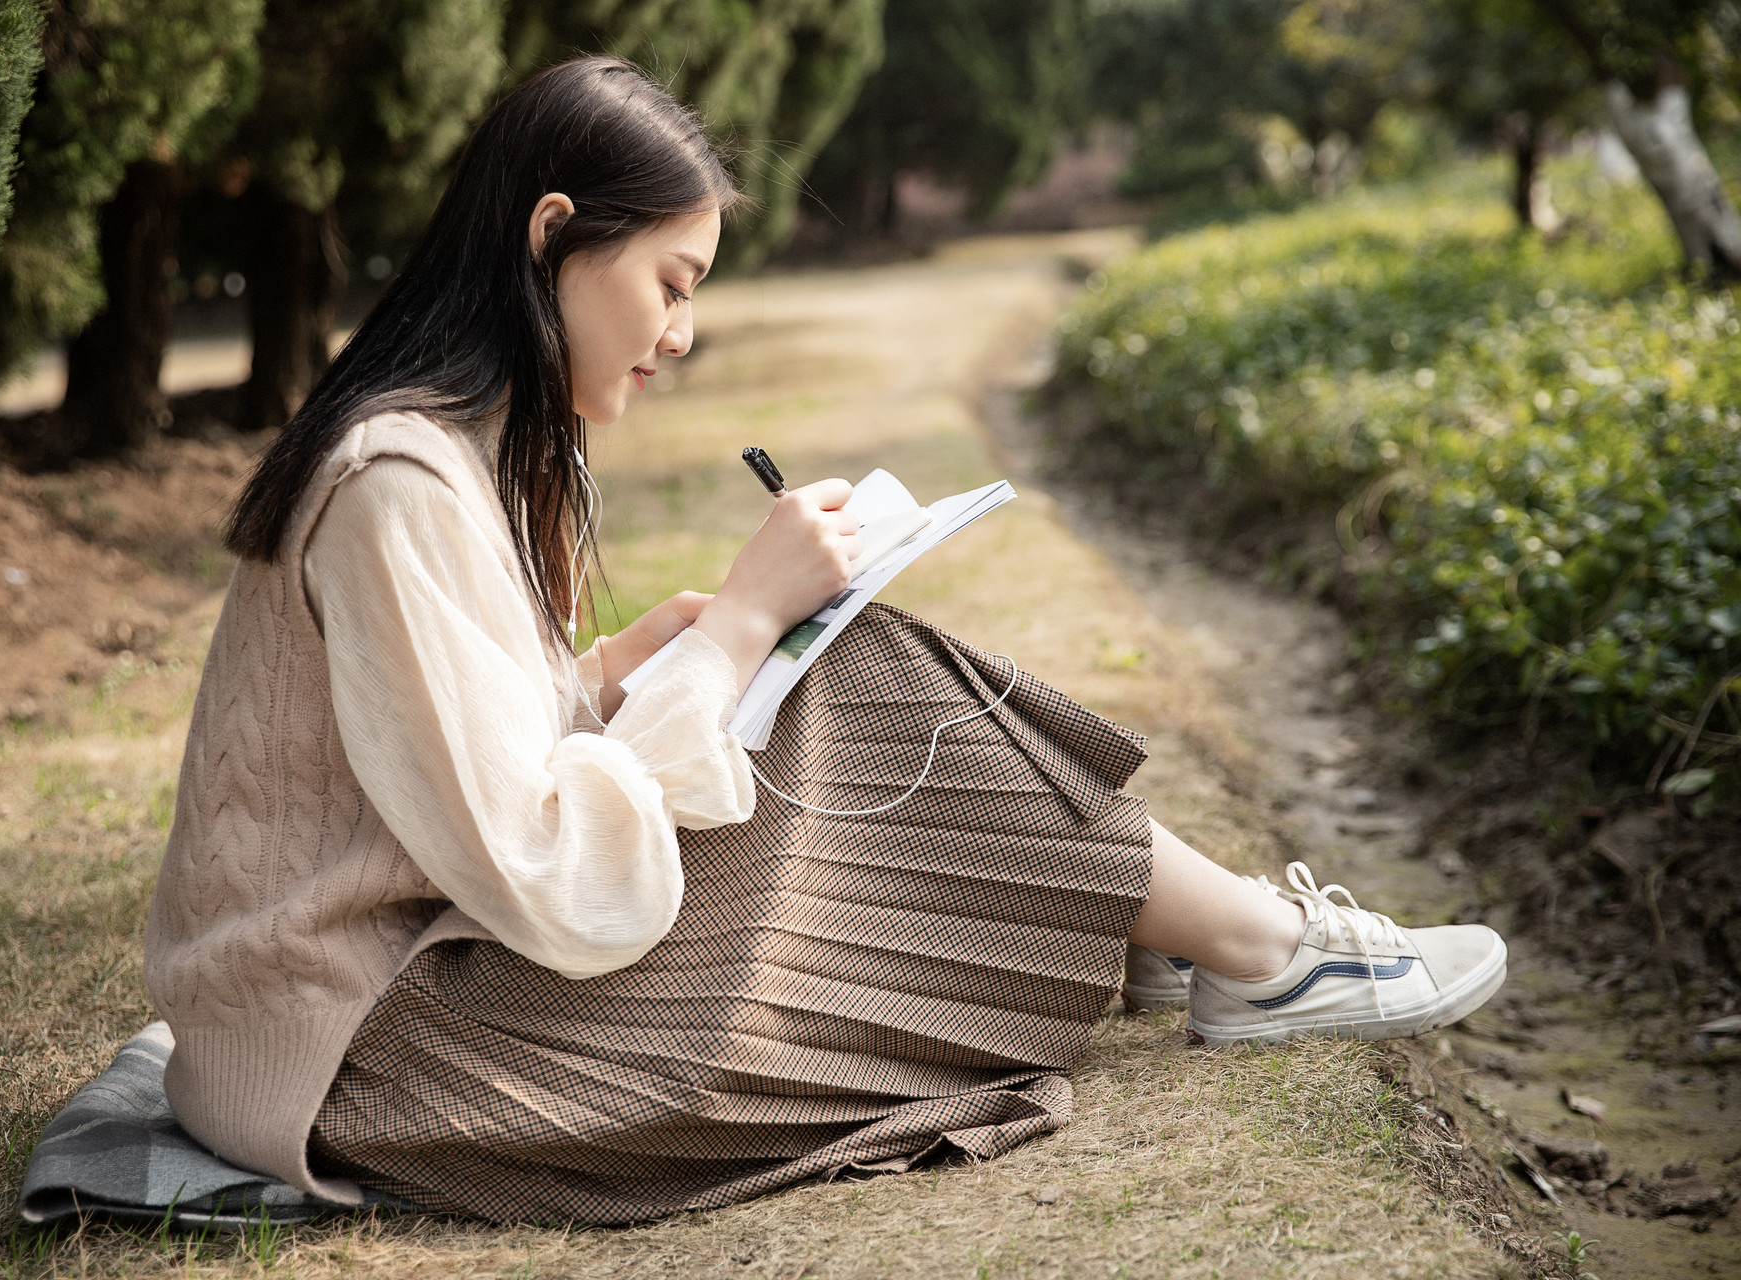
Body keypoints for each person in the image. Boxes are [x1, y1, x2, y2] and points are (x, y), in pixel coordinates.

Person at [144, 56, 1506, 1225]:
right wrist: (733, 627)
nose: (678, 335)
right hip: (373, 1062)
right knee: (839, 675)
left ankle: (1203, 936)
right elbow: (550, 873)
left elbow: (439, 748)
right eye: (670, 283)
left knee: (831, 658)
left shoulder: (444, 453)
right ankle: (1248, 949)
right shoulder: (398, 478)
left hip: (409, 998)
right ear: (552, 233)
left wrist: (623, 666)